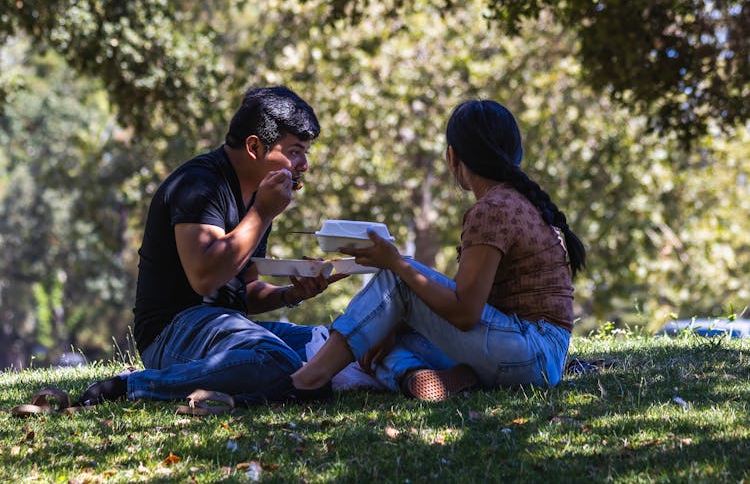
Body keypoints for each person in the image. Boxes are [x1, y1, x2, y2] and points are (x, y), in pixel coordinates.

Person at [289, 99, 586, 401]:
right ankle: (418, 378)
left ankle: (307, 380)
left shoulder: (493, 209)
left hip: (531, 354)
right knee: (386, 338)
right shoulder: (515, 201)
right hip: (539, 357)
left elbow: (465, 312)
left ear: (452, 156)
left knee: (398, 280)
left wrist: (396, 263)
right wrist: (392, 324)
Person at [77, 85, 345, 406]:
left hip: (226, 329)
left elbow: (242, 292)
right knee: (276, 360)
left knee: (335, 348)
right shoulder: (200, 184)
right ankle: (129, 386)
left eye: (305, 153)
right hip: (171, 332)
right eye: (294, 152)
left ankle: (269, 384)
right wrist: (262, 212)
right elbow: (204, 278)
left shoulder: (259, 195)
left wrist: (293, 293)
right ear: (254, 146)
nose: (303, 165)